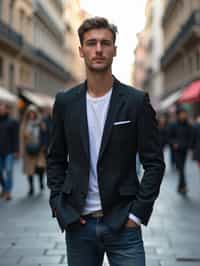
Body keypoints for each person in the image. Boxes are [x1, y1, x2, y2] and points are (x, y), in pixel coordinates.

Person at [47, 17, 165, 266]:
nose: (98, 49)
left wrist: (137, 213)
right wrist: (59, 204)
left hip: (124, 224)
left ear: (114, 50)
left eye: (105, 43)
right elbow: (55, 158)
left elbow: (154, 162)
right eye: (91, 43)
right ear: (81, 50)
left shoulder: (135, 101)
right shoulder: (66, 102)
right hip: (78, 224)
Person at [20, 105, 46, 196]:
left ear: (35, 114)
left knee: (40, 168)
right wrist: (21, 151)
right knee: (29, 170)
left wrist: (44, 146)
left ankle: (41, 182)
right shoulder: (25, 123)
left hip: (39, 150)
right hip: (28, 150)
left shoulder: (40, 123)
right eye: (29, 113)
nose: (31, 115)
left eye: (33, 113)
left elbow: (45, 134)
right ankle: (31, 188)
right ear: (27, 114)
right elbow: (22, 138)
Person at [169, 107, 192, 194]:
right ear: (178, 115)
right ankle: (184, 186)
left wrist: (190, 146)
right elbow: (169, 137)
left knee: (182, 168)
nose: (183, 115)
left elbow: (191, 137)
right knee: (181, 168)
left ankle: (180, 186)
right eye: (182, 114)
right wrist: (174, 143)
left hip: (184, 150)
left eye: (184, 114)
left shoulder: (188, 125)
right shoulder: (173, 125)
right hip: (176, 151)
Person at [0, 102, 19, 200]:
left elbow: (16, 137)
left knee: (8, 171)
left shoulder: (13, 122)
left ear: (7, 110)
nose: (1, 110)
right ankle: (4, 188)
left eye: (2, 108)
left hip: (9, 151)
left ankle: (8, 192)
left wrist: (16, 151)